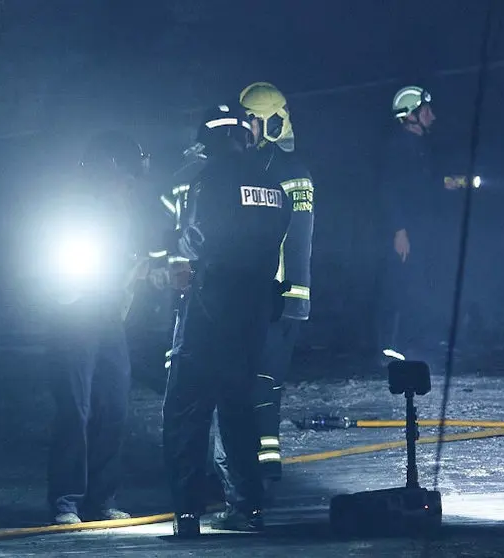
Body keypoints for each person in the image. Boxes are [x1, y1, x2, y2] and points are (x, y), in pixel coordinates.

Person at [162, 103, 292, 538]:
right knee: (238, 408)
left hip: (210, 307)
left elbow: (194, 240)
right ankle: (248, 508)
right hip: (253, 311)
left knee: (187, 409)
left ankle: (187, 514)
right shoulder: (274, 185)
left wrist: (173, 244)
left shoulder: (210, 179)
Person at [208, 82, 316, 531]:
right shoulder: (252, 165)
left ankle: (265, 475)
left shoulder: (291, 170)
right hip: (252, 298)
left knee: (263, 388)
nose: (246, 127)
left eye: (251, 119)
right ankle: (258, 473)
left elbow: (300, 239)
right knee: (250, 386)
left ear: (270, 121)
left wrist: (294, 297)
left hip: (279, 298)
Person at [45, 130, 151, 525]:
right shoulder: (72, 207)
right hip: (73, 315)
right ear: (109, 170)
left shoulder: (123, 210)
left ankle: (102, 499)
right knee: (76, 408)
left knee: (114, 405)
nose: (129, 187)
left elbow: (130, 260)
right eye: (125, 178)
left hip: (107, 318)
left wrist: (138, 277)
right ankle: (67, 501)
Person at [376, 85, 468, 365]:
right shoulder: (398, 147)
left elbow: (421, 186)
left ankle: (415, 342)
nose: (433, 116)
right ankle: (388, 348)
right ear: (410, 115)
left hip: (422, 228)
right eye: (427, 110)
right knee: (399, 285)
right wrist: (399, 230)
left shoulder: (420, 148)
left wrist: (450, 183)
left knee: (419, 285)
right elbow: (389, 190)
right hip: (406, 231)